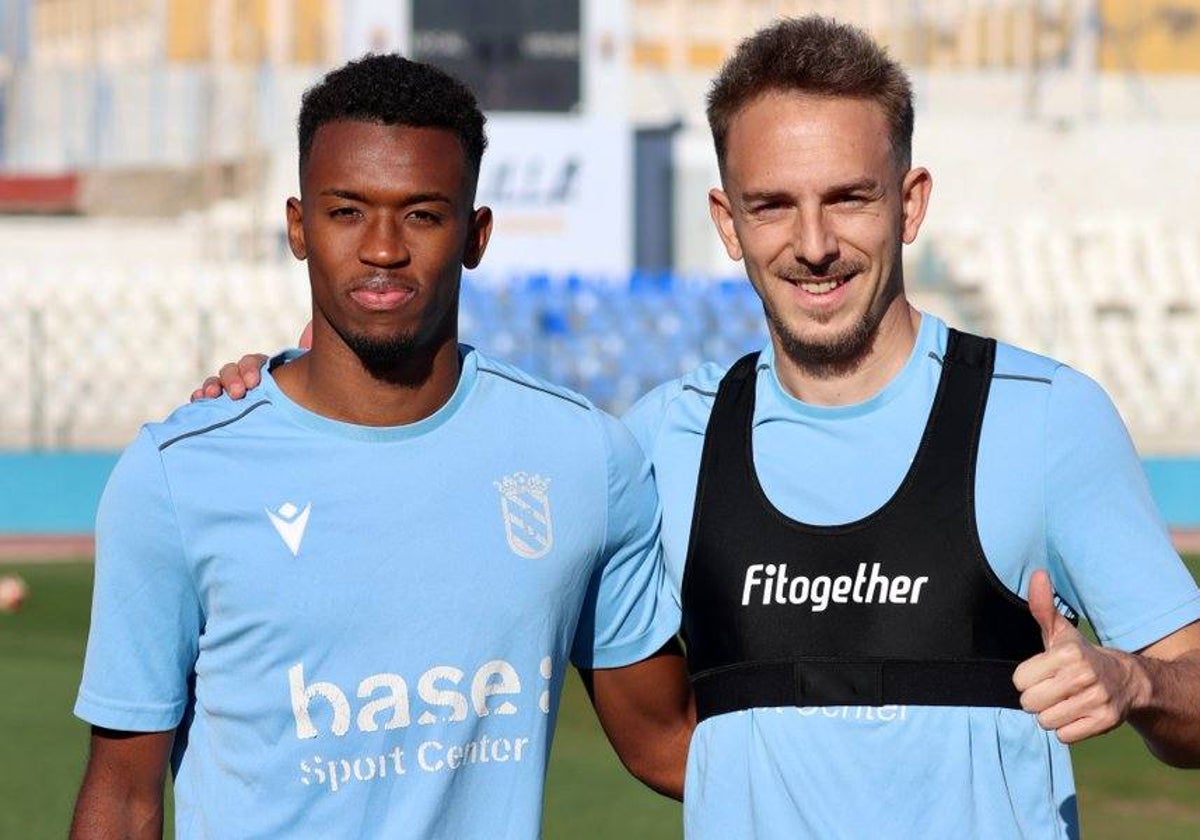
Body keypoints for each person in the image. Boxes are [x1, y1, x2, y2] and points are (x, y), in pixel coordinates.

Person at [201, 16, 1200, 839]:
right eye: (773, 206)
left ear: (911, 201)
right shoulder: (653, 447)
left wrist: (1134, 679)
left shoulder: (1044, 418)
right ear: (728, 223)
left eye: (848, 198)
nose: (813, 244)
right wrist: (289, 392)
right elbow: (651, 736)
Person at [71, 54, 691, 840]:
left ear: (476, 234)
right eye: (346, 212)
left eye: (423, 215)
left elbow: (669, 741)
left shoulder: (582, 458)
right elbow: (123, 799)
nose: (384, 249)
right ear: (299, 227)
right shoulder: (179, 475)